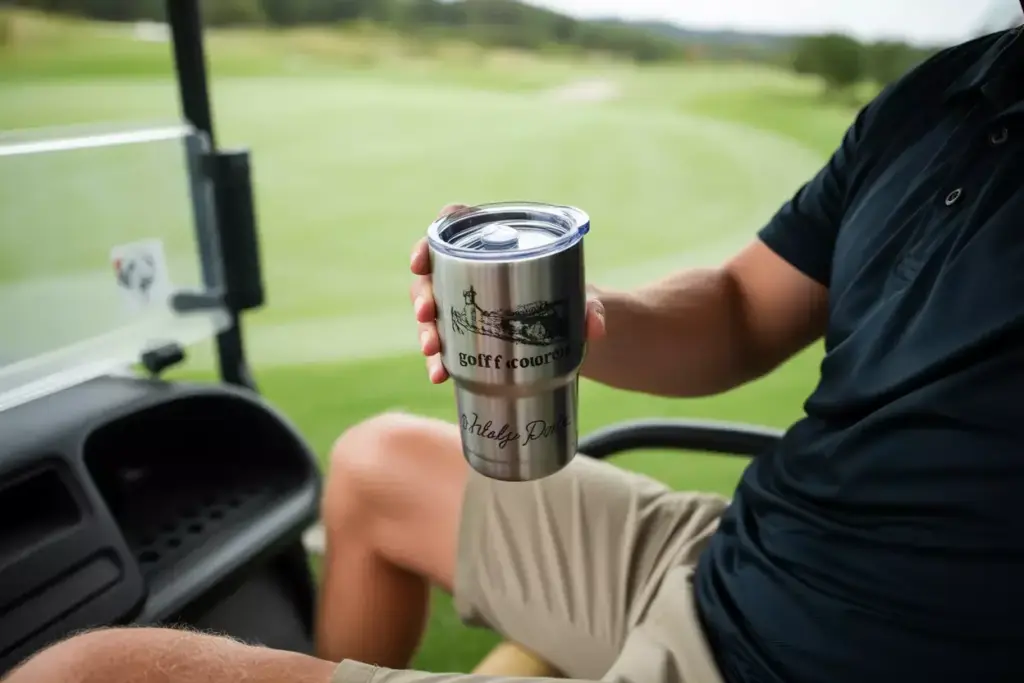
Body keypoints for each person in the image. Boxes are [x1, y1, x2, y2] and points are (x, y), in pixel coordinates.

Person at [6, 21, 1024, 683]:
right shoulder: (941, 96)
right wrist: (572, 317)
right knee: (370, 460)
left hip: (811, 650)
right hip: (744, 547)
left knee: (80, 674)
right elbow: (736, 310)